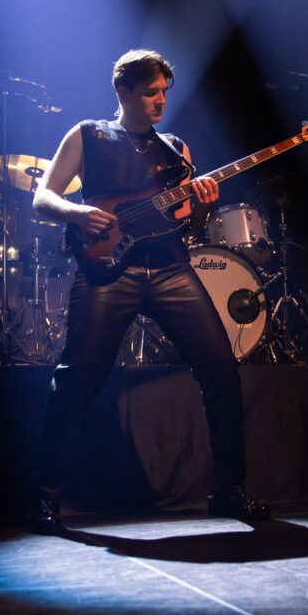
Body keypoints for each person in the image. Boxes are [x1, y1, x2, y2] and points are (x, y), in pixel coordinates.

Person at [31, 49, 270, 532]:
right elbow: (43, 196)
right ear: (123, 92)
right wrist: (77, 213)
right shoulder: (89, 135)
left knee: (222, 371)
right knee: (77, 378)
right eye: (150, 93)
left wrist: (204, 205)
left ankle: (229, 491)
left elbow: (188, 224)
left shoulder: (176, 150)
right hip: (107, 270)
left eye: (165, 93)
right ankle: (45, 498)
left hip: (169, 269)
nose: (160, 102)